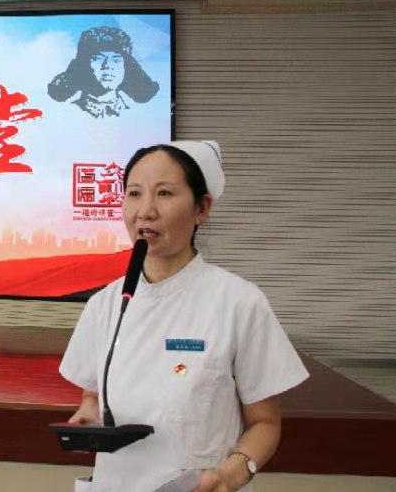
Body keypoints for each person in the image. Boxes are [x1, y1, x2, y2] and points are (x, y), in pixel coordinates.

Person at [59, 140, 309, 491]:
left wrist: (231, 474)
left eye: (164, 193)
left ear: (201, 208)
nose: (145, 211)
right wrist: (89, 414)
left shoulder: (239, 302)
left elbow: (265, 423)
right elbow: (93, 395)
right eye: (134, 193)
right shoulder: (105, 304)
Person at [48, 26, 159, 119]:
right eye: (99, 58)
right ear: (84, 65)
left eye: (116, 60)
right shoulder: (67, 114)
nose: (107, 66)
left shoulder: (137, 116)